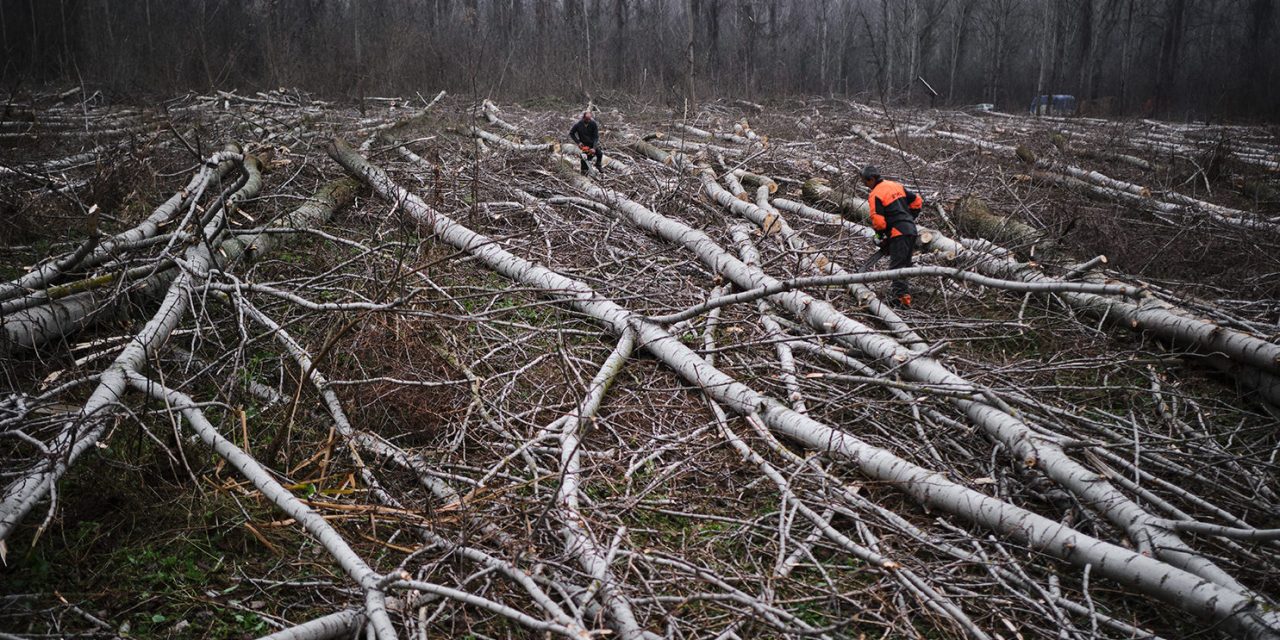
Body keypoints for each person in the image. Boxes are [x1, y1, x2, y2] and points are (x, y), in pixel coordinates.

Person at [861, 165, 923, 308]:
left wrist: (880, 235)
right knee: (905, 266)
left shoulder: (875, 194)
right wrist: (909, 218)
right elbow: (917, 201)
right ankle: (904, 297)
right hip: (911, 231)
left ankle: (900, 300)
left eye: (865, 182)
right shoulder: (895, 185)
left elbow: (879, 222)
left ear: (870, 179)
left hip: (898, 233)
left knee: (897, 268)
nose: (866, 185)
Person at [569, 110, 603, 175]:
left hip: (592, 143)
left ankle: (598, 165)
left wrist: (594, 148)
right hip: (584, 144)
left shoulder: (593, 124)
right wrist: (578, 142)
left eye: (589, 119)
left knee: (599, 154)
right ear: (583, 118)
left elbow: (596, 137)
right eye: (587, 119)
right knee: (584, 158)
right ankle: (584, 171)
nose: (588, 120)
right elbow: (571, 133)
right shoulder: (578, 125)